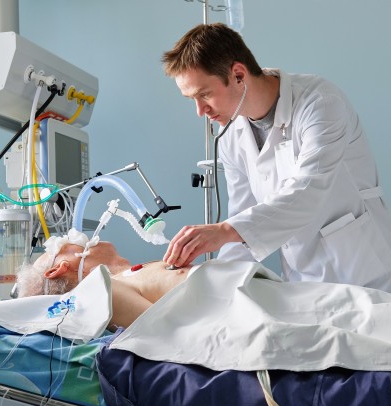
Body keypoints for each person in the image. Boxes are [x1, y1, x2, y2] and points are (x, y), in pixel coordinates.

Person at [161, 22, 391, 292]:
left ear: (238, 74)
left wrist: (223, 231)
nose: (200, 111)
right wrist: (217, 287)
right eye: (192, 99)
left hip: (364, 272)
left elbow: (307, 192)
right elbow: (243, 215)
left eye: (204, 94)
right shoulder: (232, 132)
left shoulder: (320, 104)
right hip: (302, 280)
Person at [16, 235, 193, 329]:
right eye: (62, 244)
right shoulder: (107, 291)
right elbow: (172, 331)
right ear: (56, 269)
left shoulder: (121, 280)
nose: (73, 237)